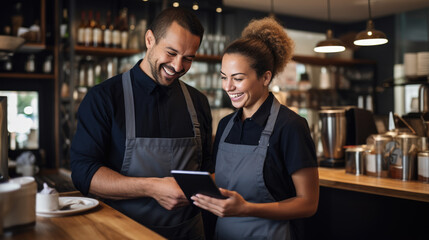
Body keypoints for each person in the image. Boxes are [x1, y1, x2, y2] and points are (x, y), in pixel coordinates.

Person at [70, 7, 213, 240]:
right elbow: (84, 173)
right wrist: (152, 188)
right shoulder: (104, 97)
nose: (178, 67)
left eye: (188, 58)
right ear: (149, 40)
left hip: (189, 232)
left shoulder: (198, 102)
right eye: (171, 52)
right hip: (122, 231)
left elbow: (208, 168)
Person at [191, 17, 319, 239]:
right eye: (224, 78)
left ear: (265, 77)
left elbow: (308, 204)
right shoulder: (225, 125)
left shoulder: (290, 126)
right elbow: (222, 179)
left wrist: (246, 208)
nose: (228, 87)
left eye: (238, 79)